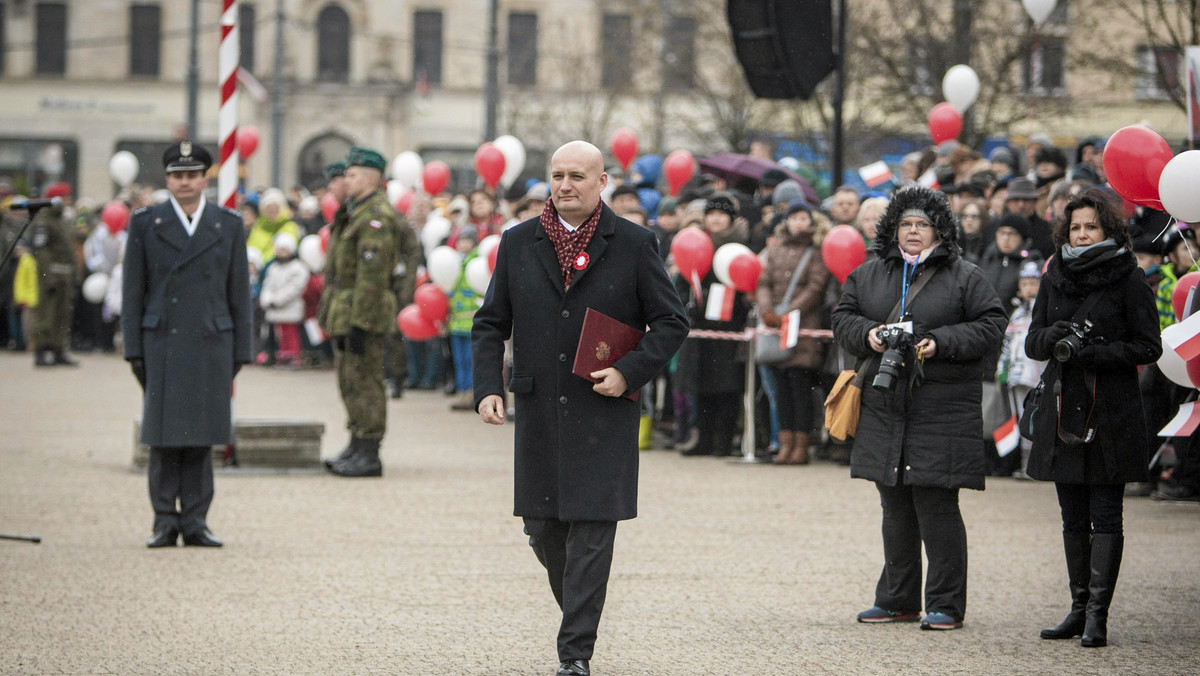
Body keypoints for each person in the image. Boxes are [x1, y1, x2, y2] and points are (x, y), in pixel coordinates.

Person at [472, 140, 688, 676]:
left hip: (602, 409)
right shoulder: (519, 242)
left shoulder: (636, 244)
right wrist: (486, 387)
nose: (565, 185)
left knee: (592, 529)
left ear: (602, 182)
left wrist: (628, 371)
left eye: (577, 176)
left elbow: (671, 322)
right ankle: (580, 611)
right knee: (542, 528)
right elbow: (490, 323)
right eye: (558, 175)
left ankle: (575, 653)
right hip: (540, 407)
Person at [832, 186, 1007, 631]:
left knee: (937, 506)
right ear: (893, 228)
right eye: (906, 224)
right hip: (884, 403)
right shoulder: (869, 273)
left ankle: (946, 604)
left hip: (942, 406)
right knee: (894, 504)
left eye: (922, 224)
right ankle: (897, 599)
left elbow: (992, 325)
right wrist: (870, 335)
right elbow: (842, 317)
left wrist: (940, 342)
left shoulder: (965, 275)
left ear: (939, 230)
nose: (913, 231)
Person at [1024, 189, 1161, 648]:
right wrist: (1053, 336)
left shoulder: (1129, 277)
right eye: (1077, 227)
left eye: (1091, 227)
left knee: (1106, 514)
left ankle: (1098, 614)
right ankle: (1077, 608)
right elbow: (1032, 343)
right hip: (1066, 407)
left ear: (1108, 230)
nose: (1083, 235)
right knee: (1071, 516)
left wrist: (1098, 352)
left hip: (1112, 410)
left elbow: (1149, 346)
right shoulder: (1053, 274)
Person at [122, 140, 252, 548]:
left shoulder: (227, 224)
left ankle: (195, 520)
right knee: (162, 436)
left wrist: (242, 348)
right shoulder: (146, 223)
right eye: (178, 175)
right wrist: (133, 346)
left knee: (201, 436)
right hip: (162, 338)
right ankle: (164, 520)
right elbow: (133, 290)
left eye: (192, 175)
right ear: (168, 179)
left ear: (204, 178)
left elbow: (239, 291)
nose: (185, 182)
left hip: (211, 338)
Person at [317, 147, 401, 478]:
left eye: (351, 175)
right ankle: (356, 441)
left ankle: (369, 450)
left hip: (362, 312)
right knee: (350, 379)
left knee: (366, 380)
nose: (345, 180)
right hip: (346, 309)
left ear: (369, 178)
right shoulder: (355, 211)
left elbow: (372, 276)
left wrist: (361, 322)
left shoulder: (375, 216)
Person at [675, 195, 750, 457]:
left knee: (727, 387)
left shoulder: (741, 245)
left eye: (722, 213)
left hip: (730, 326)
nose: (716, 218)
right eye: (712, 213)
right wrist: (690, 302)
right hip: (701, 326)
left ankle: (725, 440)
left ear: (730, 218)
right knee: (702, 384)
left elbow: (747, 280)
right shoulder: (695, 244)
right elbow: (681, 281)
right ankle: (703, 437)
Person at [756, 200, 829, 464]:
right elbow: (763, 282)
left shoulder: (816, 252)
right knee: (781, 391)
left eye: (803, 218)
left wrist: (789, 314)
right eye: (793, 218)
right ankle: (785, 444)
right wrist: (767, 311)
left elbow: (816, 287)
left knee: (801, 391)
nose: (798, 222)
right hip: (775, 328)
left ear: (811, 222)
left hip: (803, 331)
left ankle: (801, 445)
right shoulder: (775, 251)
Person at [996, 258, 1046, 480]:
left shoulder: (1043, 312)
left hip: (1037, 376)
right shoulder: (1016, 313)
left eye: (1033, 284)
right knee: (1023, 418)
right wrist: (1002, 368)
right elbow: (1007, 343)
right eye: (1025, 284)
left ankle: (1039, 464)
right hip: (1017, 376)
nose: (1029, 289)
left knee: (1039, 418)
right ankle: (1027, 463)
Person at [29, 186, 79, 367]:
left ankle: (59, 349)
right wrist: (47, 277)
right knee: (46, 314)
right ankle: (41, 350)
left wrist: (74, 274)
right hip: (50, 275)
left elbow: (69, 251)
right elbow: (41, 252)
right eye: (65, 197)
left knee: (63, 314)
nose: (68, 201)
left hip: (64, 274)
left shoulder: (63, 221)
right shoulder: (43, 222)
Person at [258, 232, 310, 368]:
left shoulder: (298, 267)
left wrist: (278, 300)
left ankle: (293, 356)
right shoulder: (273, 267)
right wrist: (267, 299)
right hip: (274, 308)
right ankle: (281, 355)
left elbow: (294, 288)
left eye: (284, 249)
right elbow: (268, 285)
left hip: (290, 307)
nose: (281, 253)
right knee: (278, 334)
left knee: (290, 333)